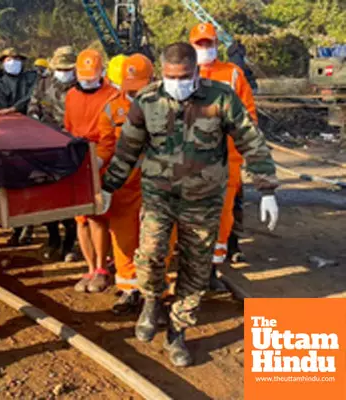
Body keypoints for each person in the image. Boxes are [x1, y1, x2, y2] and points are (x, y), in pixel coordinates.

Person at [100, 42, 279, 367]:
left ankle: (177, 333)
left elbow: (250, 140)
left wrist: (266, 188)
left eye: (183, 77)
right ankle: (152, 301)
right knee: (151, 253)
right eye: (170, 77)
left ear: (196, 73)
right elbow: (128, 147)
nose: (177, 83)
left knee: (195, 269)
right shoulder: (148, 100)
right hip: (159, 196)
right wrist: (109, 186)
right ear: (162, 73)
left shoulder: (220, 98)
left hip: (204, 200)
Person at [190, 22, 259, 289]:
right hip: (191, 160)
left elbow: (249, 117)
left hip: (225, 160)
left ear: (217, 45)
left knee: (222, 216)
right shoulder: (182, 73)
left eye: (209, 43)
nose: (205, 48)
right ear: (191, 45)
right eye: (200, 44)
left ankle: (211, 270)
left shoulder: (233, 75)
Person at [97, 54, 153, 314]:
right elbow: (106, 144)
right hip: (123, 185)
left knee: (155, 240)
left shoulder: (167, 106)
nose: (135, 94)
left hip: (156, 186)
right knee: (123, 237)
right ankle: (129, 289)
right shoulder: (111, 108)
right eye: (130, 89)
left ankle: (154, 295)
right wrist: (95, 166)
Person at [64, 48, 118, 292]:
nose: (87, 81)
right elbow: (68, 127)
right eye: (83, 76)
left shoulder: (112, 97)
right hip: (77, 158)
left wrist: (100, 160)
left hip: (100, 159)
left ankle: (101, 268)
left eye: (91, 76)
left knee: (98, 216)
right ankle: (88, 267)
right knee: (81, 218)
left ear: (101, 73)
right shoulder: (71, 96)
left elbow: (111, 137)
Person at [27, 45, 79, 262]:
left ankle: (69, 244)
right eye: (61, 68)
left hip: (73, 148)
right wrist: (37, 125)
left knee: (71, 198)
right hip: (47, 148)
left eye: (68, 68)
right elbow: (32, 109)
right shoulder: (43, 85)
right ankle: (53, 239)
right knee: (48, 197)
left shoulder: (81, 87)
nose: (64, 72)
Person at [0, 47, 38, 246]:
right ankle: (17, 226)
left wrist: (13, 109)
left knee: (35, 181)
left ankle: (29, 226)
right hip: (9, 137)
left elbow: (32, 98)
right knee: (14, 183)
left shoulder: (31, 80)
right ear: (3, 61)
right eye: (9, 59)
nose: (13, 62)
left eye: (17, 58)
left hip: (33, 134)